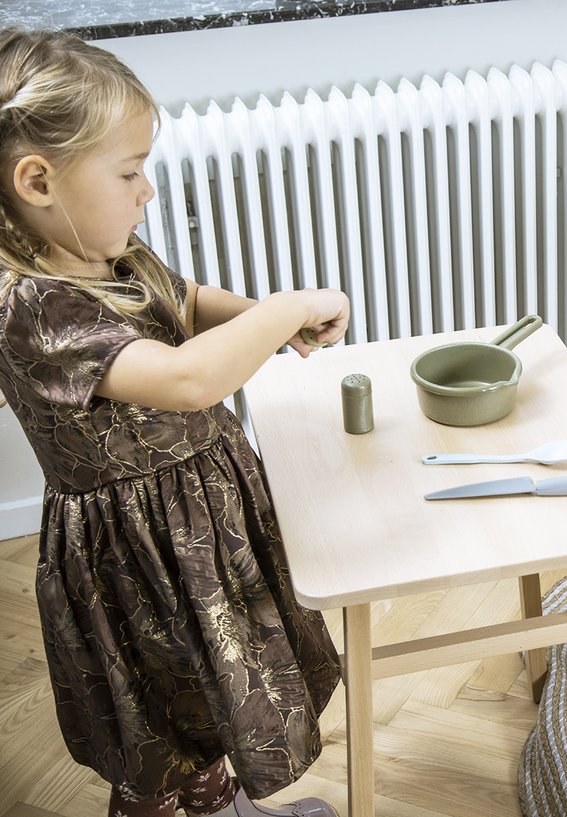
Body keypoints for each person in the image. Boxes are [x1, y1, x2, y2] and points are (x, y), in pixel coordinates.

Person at [0, 27, 348, 817]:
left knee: (211, 693)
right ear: (37, 179)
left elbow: (182, 306)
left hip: (200, 521)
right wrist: (291, 306)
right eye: (129, 170)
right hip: (136, 554)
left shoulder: (103, 249)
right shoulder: (31, 308)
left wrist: (262, 316)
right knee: (162, 719)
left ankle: (221, 807)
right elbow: (188, 379)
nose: (146, 190)